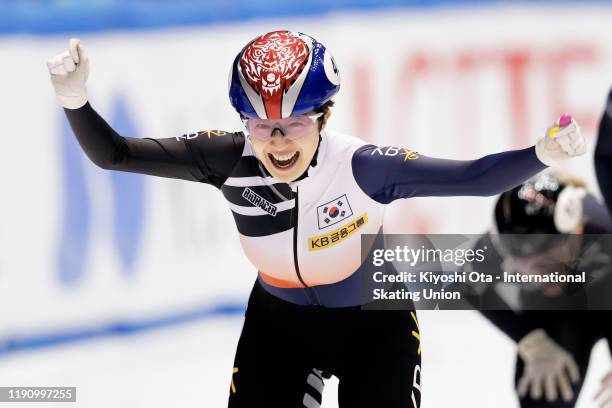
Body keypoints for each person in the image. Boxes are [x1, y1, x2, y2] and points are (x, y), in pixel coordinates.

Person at [46, 31, 586, 407]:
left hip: (373, 324)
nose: (277, 142)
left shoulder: (364, 168)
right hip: (278, 326)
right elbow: (114, 154)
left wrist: (541, 152)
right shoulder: (225, 158)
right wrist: (74, 100)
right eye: (261, 125)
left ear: (324, 116)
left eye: (295, 124)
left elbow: (473, 178)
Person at [461, 90, 612, 408]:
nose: (533, 274)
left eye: (545, 263)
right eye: (519, 261)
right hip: (556, 316)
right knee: (544, 393)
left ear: (576, 233)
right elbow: (464, 281)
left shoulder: (604, 232)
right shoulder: (503, 239)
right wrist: (532, 341)